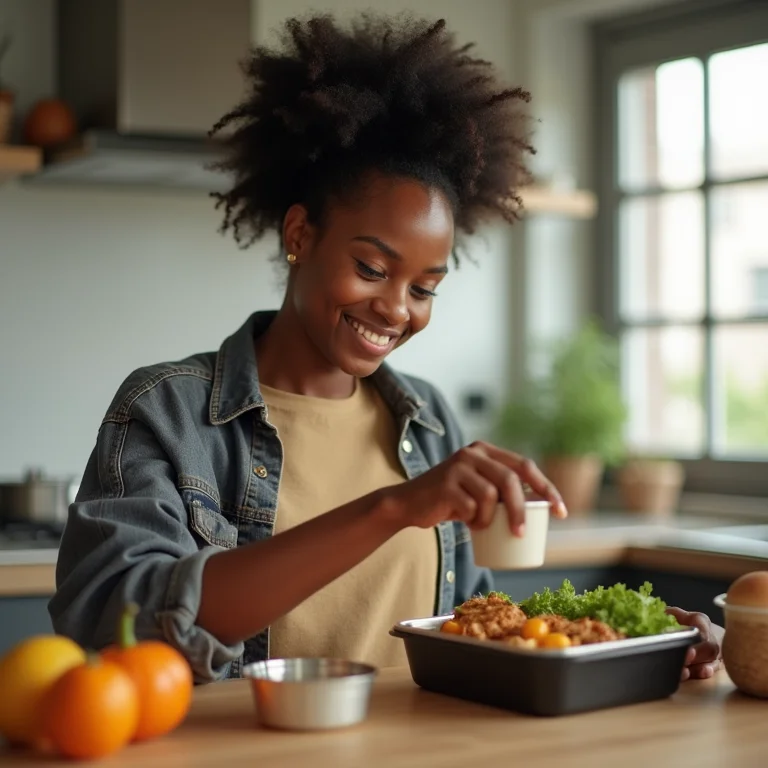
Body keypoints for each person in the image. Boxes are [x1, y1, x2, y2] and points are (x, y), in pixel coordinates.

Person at [49, 12, 721, 684]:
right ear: (300, 235)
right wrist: (390, 508)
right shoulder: (169, 411)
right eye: (371, 269)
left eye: (425, 288)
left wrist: (628, 631)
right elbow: (116, 619)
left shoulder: (424, 420)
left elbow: (475, 622)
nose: (397, 309)